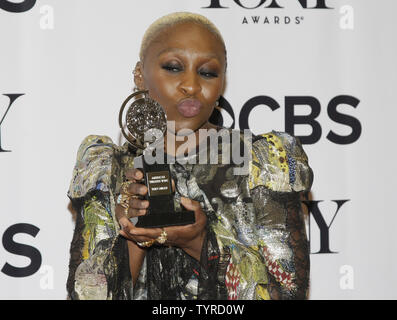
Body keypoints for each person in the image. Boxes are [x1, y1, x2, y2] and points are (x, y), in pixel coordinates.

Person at [66, 12, 313, 300]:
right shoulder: (109, 169)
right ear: (139, 75)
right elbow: (86, 296)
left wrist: (199, 242)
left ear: (221, 82)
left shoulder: (260, 162)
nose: (192, 86)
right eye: (173, 67)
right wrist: (134, 236)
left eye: (207, 72)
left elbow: (287, 293)